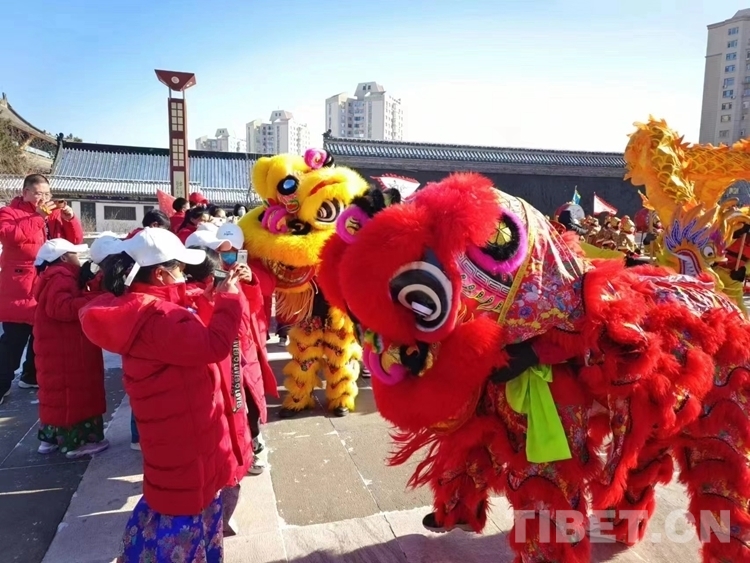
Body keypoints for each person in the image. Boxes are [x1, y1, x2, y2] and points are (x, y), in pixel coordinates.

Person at [79, 228, 244, 562]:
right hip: (185, 434)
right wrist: (229, 301)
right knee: (184, 506)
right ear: (159, 273)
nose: (184, 275)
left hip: (170, 430)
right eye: (180, 268)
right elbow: (213, 345)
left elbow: (185, 334)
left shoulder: (140, 308)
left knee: (168, 496)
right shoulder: (160, 318)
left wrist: (205, 300)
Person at [0, 174, 83, 404]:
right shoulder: (9, 212)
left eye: (47, 194)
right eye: (38, 193)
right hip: (20, 284)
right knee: (13, 340)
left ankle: (30, 376)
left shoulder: (52, 214)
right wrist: (38, 216)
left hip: (45, 280)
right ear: (25, 192)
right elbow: (11, 237)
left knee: (41, 334)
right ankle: (2, 384)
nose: (43, 198)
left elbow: (73, 241)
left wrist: (69, 219)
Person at [33, 239, 109, 458]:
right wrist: (95, 299)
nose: (78, 258)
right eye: (75, 254)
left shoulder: (52, 276)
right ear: (64, 257)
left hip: (57, 347)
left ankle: (51, 439)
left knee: (56, 395)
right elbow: (62, 308)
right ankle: (76, 443)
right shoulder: (61, 276)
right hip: (68, 350)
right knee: (72, 395)